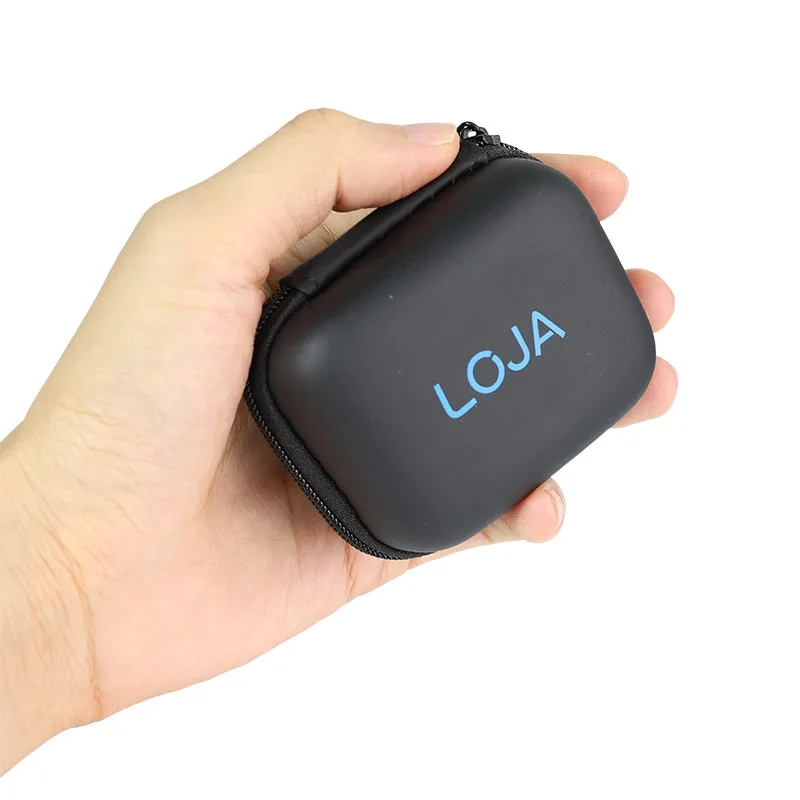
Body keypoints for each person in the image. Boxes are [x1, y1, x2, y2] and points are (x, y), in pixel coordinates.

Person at [0, 110, 677, 773]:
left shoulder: (535, 220)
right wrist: (64, 590)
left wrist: (67, 597)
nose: (506, 357)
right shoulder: (534, 208)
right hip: (370, 420)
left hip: (383, 439)